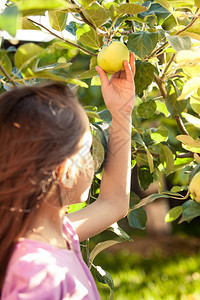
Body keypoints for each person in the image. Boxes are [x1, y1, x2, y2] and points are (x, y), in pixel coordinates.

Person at [0, 52, 135, 299]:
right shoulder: (38, 275)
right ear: (66, 171)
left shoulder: (58, 234)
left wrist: (122, 113)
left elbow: (114, 201)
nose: (95, 157)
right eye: (88, 148)